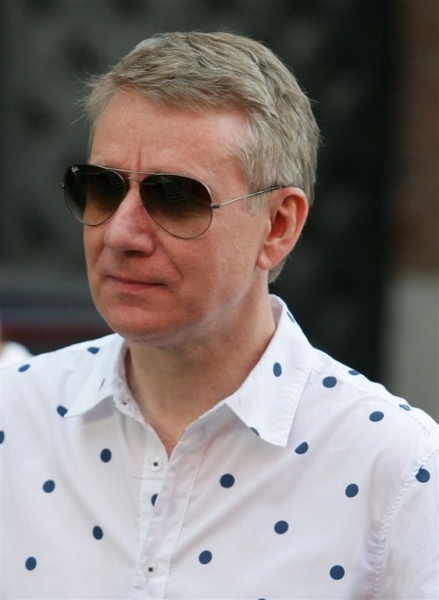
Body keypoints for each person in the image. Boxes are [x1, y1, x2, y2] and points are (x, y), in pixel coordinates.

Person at [1, 32, 437, 600]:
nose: (122, 233)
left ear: (278, 226)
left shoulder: (398, 470)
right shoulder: (14, 416)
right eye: (102, 188)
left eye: (175, 197)